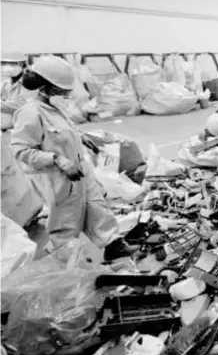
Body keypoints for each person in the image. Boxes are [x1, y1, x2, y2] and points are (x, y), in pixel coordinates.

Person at [10, 56, 138, 261]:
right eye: (62, 90)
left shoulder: (54, 108)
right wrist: (57, 160)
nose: (66, 94)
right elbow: (21, 150)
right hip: (58, 177)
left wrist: (81, 137)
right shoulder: (30, 113)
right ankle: (67, 263)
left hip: (79, 169)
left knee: (98, 208)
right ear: (47, 87)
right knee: (65, 220)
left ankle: (113, 245)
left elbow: (61, 131)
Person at [1, 52, 36, 130]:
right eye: (3, 63)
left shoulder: (30, 83)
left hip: (23, 130)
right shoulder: (5, 84)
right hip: (7, 131)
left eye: (11, 63)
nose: (6, 67)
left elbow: (22, 105)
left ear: (23, 65)